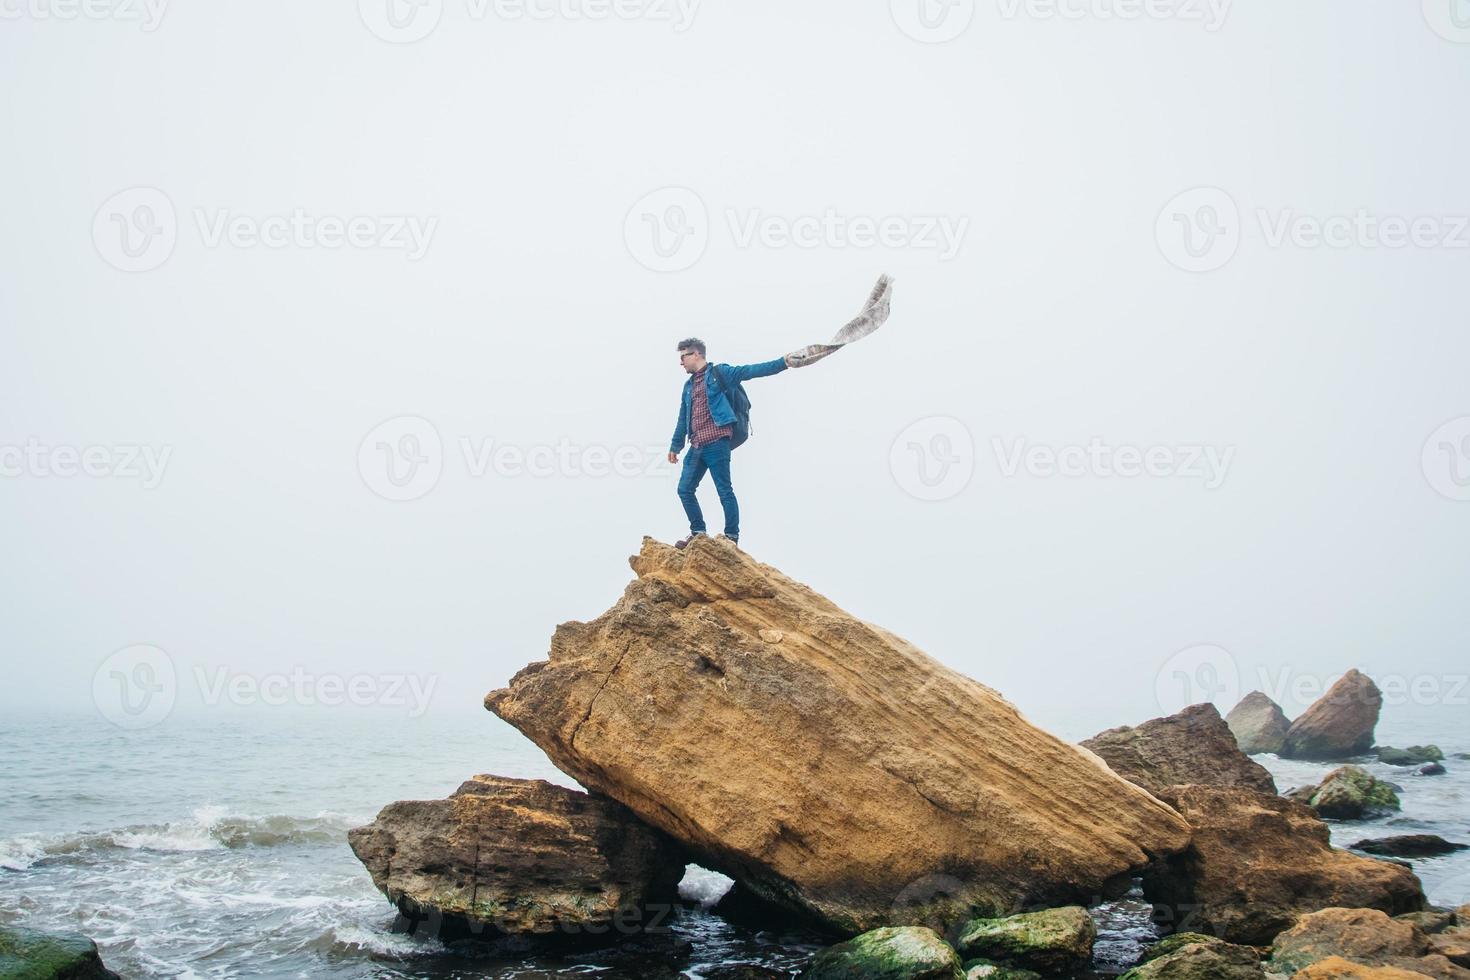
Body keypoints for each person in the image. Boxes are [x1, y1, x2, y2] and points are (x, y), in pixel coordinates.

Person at [667, 338, 788, 549]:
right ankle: (698, 532)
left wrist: (784, 362)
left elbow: (751, 370)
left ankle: (731, 536)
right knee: (684, 489)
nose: (681, 363)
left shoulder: (719, 373)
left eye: (683, 357)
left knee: (724, 490)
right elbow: (682, 418)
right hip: (697, 446)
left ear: (696, 354)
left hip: (717, 442)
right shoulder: (688, 386)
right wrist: (675, 446)